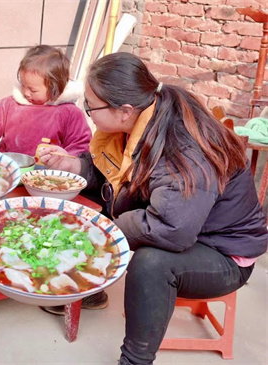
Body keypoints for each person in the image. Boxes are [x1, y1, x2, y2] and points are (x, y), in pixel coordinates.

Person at [38, 52, 268, 364]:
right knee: (86, 209)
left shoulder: (182, 148)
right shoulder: (139, 120)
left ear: (124, 111)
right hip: (187, 224)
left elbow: (172, 229)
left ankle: (135, 360)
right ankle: (90, 289)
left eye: (91, 106)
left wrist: (106, 229)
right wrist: (72, 164)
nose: (88, 112)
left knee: (150, 263)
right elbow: (112, 177)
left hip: (223, 252)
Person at [0, 45, 92, 157]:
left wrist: (66, 162)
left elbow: (80, 145)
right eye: (23, 85)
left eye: (33, 90)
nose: (25, 92)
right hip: (10, 171)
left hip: (48, 179)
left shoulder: (69, 113)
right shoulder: (10, 105)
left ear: (55, 89)